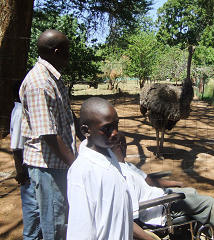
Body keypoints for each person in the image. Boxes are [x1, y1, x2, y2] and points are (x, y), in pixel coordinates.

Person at [112, 134, 214, 240]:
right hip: (161, 207)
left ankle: (205, 231)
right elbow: (129, 218)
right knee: (211, 204)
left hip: (161, 195)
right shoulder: (122, 176)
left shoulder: (125, 165)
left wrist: (175, 183)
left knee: (191, 191)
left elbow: (149, 180)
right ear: (119, 147)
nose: (125, 147)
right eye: (122, 144)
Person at [19, 29, 77, 239]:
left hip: (52, 164)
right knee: (55, 225)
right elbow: (48, 134)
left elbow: (65, 114)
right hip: (49, 167)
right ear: (56, 51)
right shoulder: (40, 83)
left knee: (40, 225)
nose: (70, 55)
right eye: (67, 50)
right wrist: (76, 165)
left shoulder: (53, 78)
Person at [67, 97, 133, 240]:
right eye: (106, 128)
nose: (115, 133)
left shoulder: (110, 156)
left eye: (116, 125)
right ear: (86, 131)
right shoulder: (82, 171)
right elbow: (80, 231)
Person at [10, 80, 42, 239]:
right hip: (28, 170)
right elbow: (17, 146)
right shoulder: (20, 112)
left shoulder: (20, 110)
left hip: (30, 168)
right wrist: (21, 172)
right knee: (32, 210)